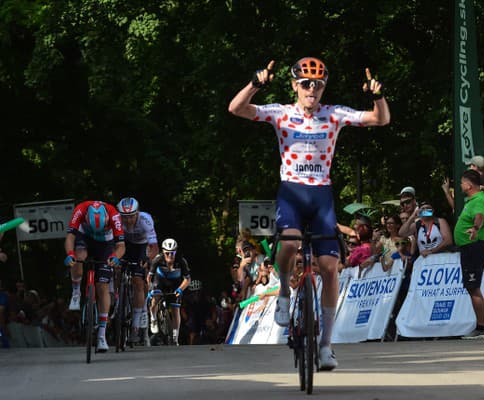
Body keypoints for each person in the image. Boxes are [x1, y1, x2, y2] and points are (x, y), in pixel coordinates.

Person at [229, 56, 390, 370]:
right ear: (294, 86)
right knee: (289, 243)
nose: (311, 89)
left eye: (318, 84)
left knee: (330, 268)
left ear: (323, 87)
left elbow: (379, 120)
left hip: (321, 195)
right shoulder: (281, 113)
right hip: (291, 191)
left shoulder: (334, 114)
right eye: (305, 83)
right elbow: (235, 108)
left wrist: (378, 96)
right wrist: (255, 84)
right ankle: (283, 295)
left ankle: (326, 346)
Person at [64, 200, 125, 352]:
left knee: (102, 286)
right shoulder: (80, 210)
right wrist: (70, 254)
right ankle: (76, 292)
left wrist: (116, 257)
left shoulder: (114, 215)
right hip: (84, 238)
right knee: (79, 257)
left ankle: (101, 336)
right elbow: (70, 237)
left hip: (106, 244)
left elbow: (121, 246)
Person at [454, 170, 484, 338]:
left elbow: (479, 216)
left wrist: (475, 229)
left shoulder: (478, 201)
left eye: (462, 182)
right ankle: (481, 325)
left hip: (474, 247)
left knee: (473, 287)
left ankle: (481, 327)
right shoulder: (475, 199)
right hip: (470, 248)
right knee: (472, 287)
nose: (461, 185)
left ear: (468, 185)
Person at [116, 197, 159, 345]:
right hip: (125, 245)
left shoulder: (145, 220)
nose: (128, 220)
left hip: (141, 247)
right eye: (124, 217)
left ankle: (135, 326)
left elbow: (154, 246)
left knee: (138, 282)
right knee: (115, 266)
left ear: (138, 213)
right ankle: (116, 297)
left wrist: (148, 260)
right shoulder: (117, 221)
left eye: (131, 216)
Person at [147, 238, 191, 346]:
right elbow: (149, 277)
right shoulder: (158, 259)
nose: (170, 255)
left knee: (176, 309)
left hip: (175, 284)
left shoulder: (181, 261)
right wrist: (150, 289)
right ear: (163, 251)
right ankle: (153, 318)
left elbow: (188, 279)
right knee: (155, 298)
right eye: (167, 253)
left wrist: (180, 289)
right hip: (160, 281)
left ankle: (175, 336)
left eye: (173, 253)